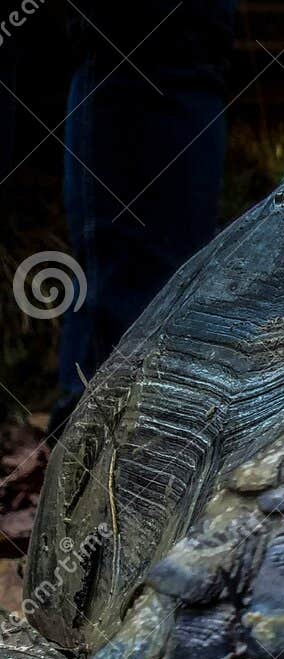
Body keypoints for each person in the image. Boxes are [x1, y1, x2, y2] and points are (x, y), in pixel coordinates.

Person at [9, 3, 237, 433]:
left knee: (167, 291)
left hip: (180, 53)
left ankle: (130, 424)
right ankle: (102, 435)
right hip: (145, 47)